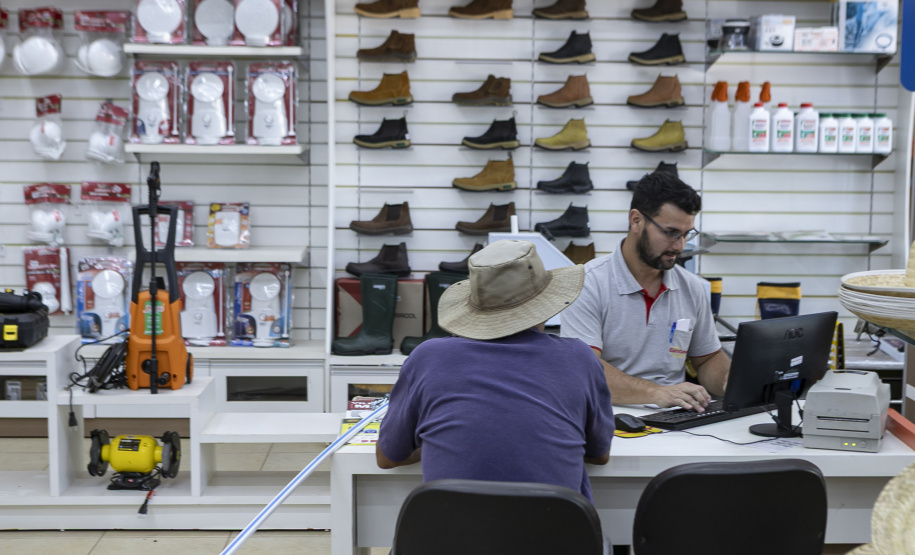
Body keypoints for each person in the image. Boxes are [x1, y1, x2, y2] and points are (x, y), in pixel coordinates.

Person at [376, 239, 615, 502]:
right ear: (546, 305)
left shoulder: (428, 358)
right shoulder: (579, 358)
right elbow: (599, 454)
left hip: (451, 541)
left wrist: (443, 443)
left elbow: (388, 457)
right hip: (557, 537)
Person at [561, 172, 729, 412]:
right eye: (671, 233)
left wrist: (731, 382)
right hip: (608, 417)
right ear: (636, 220)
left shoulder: (692, 287)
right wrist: (656, 393)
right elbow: (586, 369)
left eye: (686, 234)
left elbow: (707, 359)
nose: (680, 246)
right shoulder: (587, 283)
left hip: (676, 415)